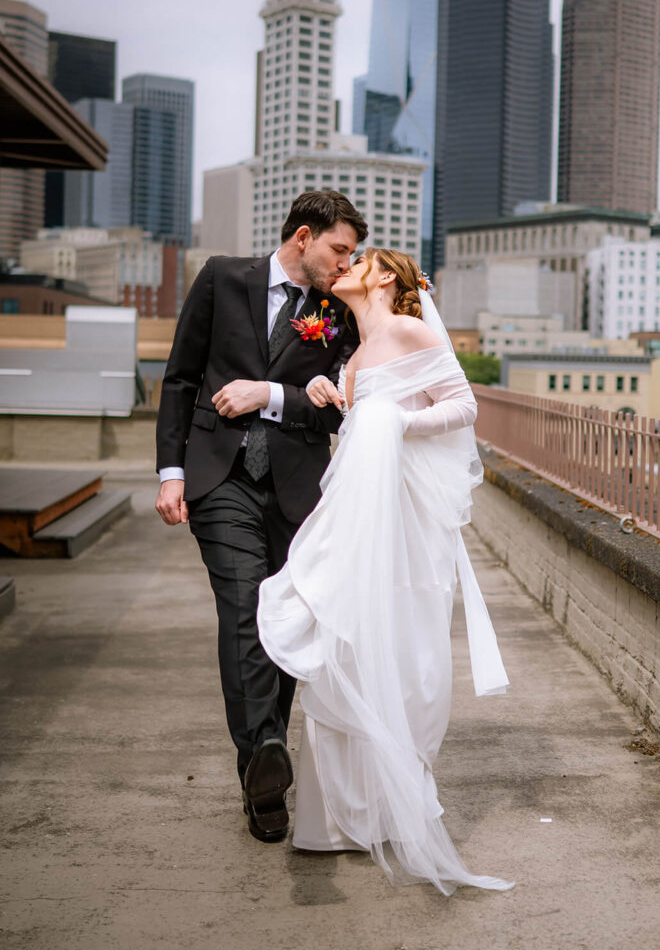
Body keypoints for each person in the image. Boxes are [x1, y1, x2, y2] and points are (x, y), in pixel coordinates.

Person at [257, 248, 513, 895]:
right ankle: (337, 820)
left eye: (360, 259)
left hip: (404, 523)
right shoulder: (356, 351)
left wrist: (396, 420)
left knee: (398, 651)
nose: (346, 263)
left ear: (387, 280)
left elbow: (460, 407)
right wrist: (333, 397)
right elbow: (364, 429)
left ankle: (390, 805)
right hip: (359, 517)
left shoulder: (408, 330)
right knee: (347, 639)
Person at [155, 191, 367, 842]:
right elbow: (181, 376)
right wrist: (171, 471)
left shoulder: (341, 310)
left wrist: (272, 393)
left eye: (353, 253)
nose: (345, 262)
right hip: (220, 477)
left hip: (300, 487)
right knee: (243, 606)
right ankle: (266, 748)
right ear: (302, 237)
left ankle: (260, 769)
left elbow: (343, 409)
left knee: (284, 620)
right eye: (338, 249)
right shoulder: (222, 277)